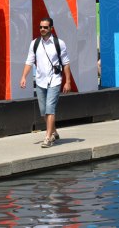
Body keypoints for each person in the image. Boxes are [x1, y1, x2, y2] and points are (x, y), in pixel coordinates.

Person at [19, 17, 72, 148]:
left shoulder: (59, 43)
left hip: (55, 80)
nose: (42, 29)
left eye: (45, 27)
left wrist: (68, 82)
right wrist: (24, 77)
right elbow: (29, 61)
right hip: (40, 81)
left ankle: (48, 137)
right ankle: (54, 131)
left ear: (51, 28)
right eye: (40, 27)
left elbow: (66, 63)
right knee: (43, 111)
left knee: (50, 109)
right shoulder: (35, 43)